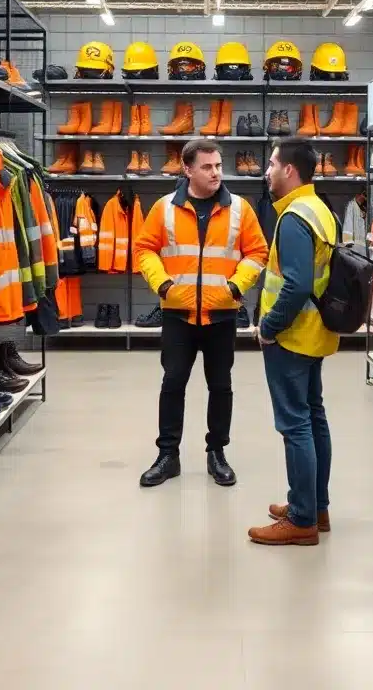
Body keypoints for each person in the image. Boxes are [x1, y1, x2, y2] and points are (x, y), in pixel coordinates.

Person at [135, 138, 268, 488]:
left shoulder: (239, 209)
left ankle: (217, 453)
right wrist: (163, 285)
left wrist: (236, 287)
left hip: (221, 315)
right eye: (207, 167)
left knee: (220, 386)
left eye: (218, 165)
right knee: (173, 383)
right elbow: (145, 249)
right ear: (188, 169)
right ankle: (168, 455)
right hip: (178, 314)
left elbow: (257, 252)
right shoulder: (164, 208)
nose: (215, 173)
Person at [247, 138, 340, 547]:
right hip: (315, 333)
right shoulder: (320, 209)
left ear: (289, 170)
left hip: (291, 336)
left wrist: (268, 326)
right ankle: (315, 506)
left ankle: (302, 519)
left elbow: (297, 284)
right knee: (313, 417)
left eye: (271, 164)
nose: (266, 171)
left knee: (295, 424)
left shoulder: (294, 218)